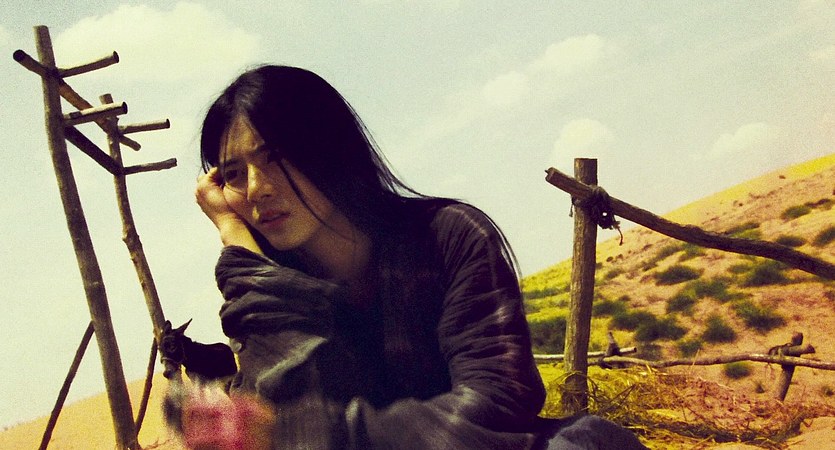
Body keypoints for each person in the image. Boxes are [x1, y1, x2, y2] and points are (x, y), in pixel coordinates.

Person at [185, 64, 646, 449]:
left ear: (328, 147)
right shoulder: (271, 286)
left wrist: (324, 435)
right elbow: (279, 412)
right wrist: (236, 241)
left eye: (276, 157)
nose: (256, 188)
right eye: (233, 174)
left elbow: (497, 406)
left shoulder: (448, 238)